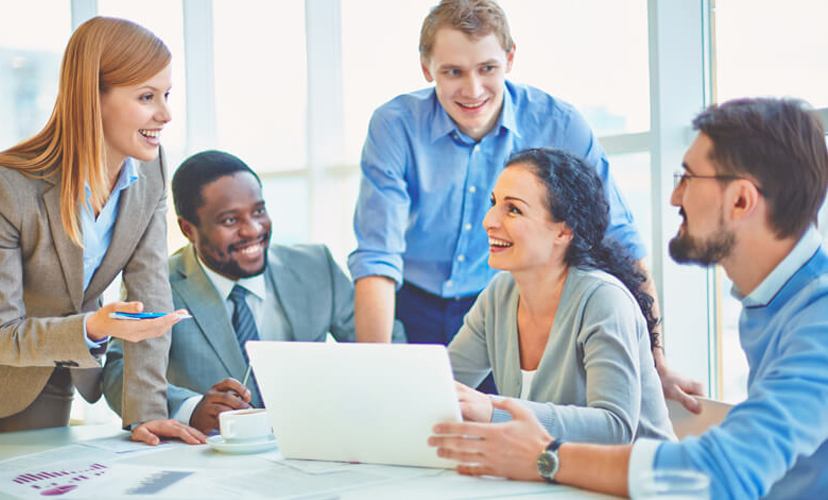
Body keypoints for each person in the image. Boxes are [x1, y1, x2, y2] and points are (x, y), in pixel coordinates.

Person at [430, 97, 828, 500]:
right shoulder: (772, 303)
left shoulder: (819, 322)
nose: (675, 198)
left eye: (688, 178)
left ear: (741, 200)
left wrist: (545, 458)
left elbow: (715, 476)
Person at [348, 0, 702, 408]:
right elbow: (377, 259)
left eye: (487, 69)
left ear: (510, 59)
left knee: (508, 428)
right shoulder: (394, 126)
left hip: (509, 306)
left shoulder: (560, 124)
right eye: (453, 72)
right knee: (413, 419)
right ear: (427, 69)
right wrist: (370, 386)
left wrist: (656, 364)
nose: (473, 90)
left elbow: (619, 242)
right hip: (416, 301)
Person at [0, 17, 203, 445]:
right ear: (92, 98)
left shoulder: (150, 172)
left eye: (166, 95)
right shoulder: (0, 185)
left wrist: (145, 415)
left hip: (58, 371)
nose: (165, 114)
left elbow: (150, 297)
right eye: (147, 96)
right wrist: (93, 327)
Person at [103, 150, 402, 434]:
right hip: (214, 460)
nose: (253, 230)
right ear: (188, 229)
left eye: (259, 211)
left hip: (316, 446)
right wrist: (191, 409)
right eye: (230, 220)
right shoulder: (158, 285)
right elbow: (118, 372)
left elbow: (389, 348)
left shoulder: (316, 266)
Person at [448, 148, 675, 444]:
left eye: (513, 209)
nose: (489, 220)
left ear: (564, 232)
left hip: (640, 485)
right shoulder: (498, 296)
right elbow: (441, 389)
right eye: (494, 203)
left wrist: (493, 411)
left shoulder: (603, 300)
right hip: (557, 483)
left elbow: (615, 429)